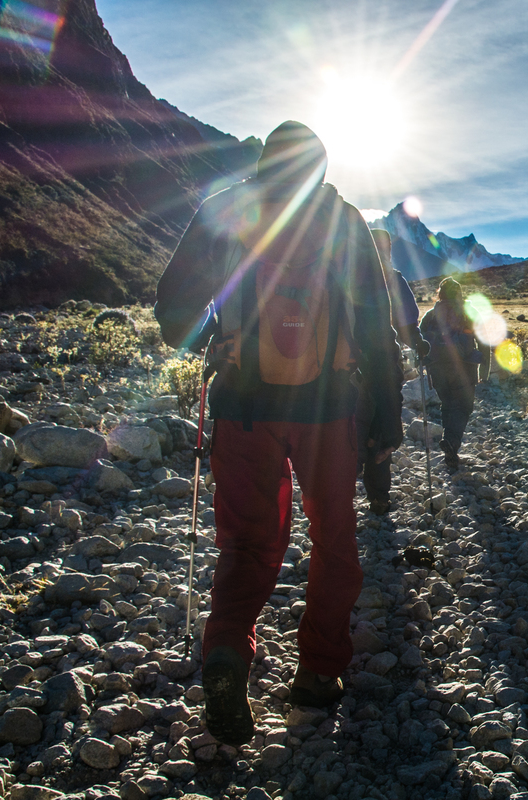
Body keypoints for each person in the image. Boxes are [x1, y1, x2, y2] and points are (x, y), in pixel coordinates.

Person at [153, 121, 404, 747]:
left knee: (245, 544)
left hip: (243, 407)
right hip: (329, 411)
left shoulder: (227, 208)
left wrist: (217, 327)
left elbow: (170, 313)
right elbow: (376, 329)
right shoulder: (345, 220)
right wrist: (387, 416)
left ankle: (227, 655)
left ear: (266, 161)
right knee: (333, 538)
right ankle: (319, 674)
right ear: (319, 166)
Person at [356, 228, 428, 514]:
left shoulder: (345, 275)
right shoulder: (394, 279)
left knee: (350, 426)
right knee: (382, 426)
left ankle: (338, 499)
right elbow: (409, 322)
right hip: (386, 367)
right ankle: (378, 496)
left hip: (348, 366)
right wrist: (418, 343)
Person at [419, 277, 489, 471]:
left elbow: (419, 340)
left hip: (437, 367)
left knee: (447, 404)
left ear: (440, 294)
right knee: (464, 406)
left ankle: (449, 445)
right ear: (459, 294)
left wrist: (422, 361)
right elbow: (484, 340)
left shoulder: (431, 315)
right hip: (464, 367)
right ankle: (451, 442)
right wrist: (485, 368)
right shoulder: (469, 312)